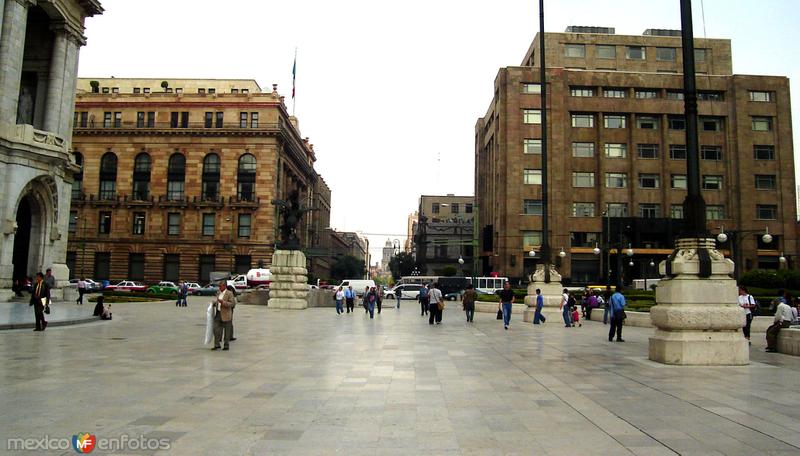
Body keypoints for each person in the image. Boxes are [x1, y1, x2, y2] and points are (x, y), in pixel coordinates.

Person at [212, 281, 236, 351]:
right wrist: (214, 304)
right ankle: (217, 344)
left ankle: (226, 345)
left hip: (226, 314)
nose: (219, 287)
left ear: (224, 286)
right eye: (219, 286)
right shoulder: (219, 293)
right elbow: (217, 301)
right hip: (218, 313)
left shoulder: (229, 293)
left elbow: (232, 304)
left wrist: (223, 302)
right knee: (215, 329)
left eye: (221, 286)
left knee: (227, 331)